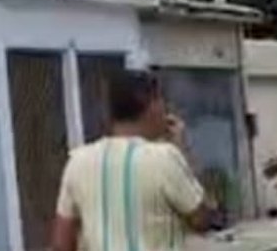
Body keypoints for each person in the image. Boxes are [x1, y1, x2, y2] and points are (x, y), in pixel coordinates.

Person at [51, 70, 214, 251]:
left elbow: (61, 244)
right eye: (161, 101)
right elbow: (203, 220)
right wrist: (183, 150)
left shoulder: (78, 162)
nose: (166, 109)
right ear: (148, 103)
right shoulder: (164, 158)